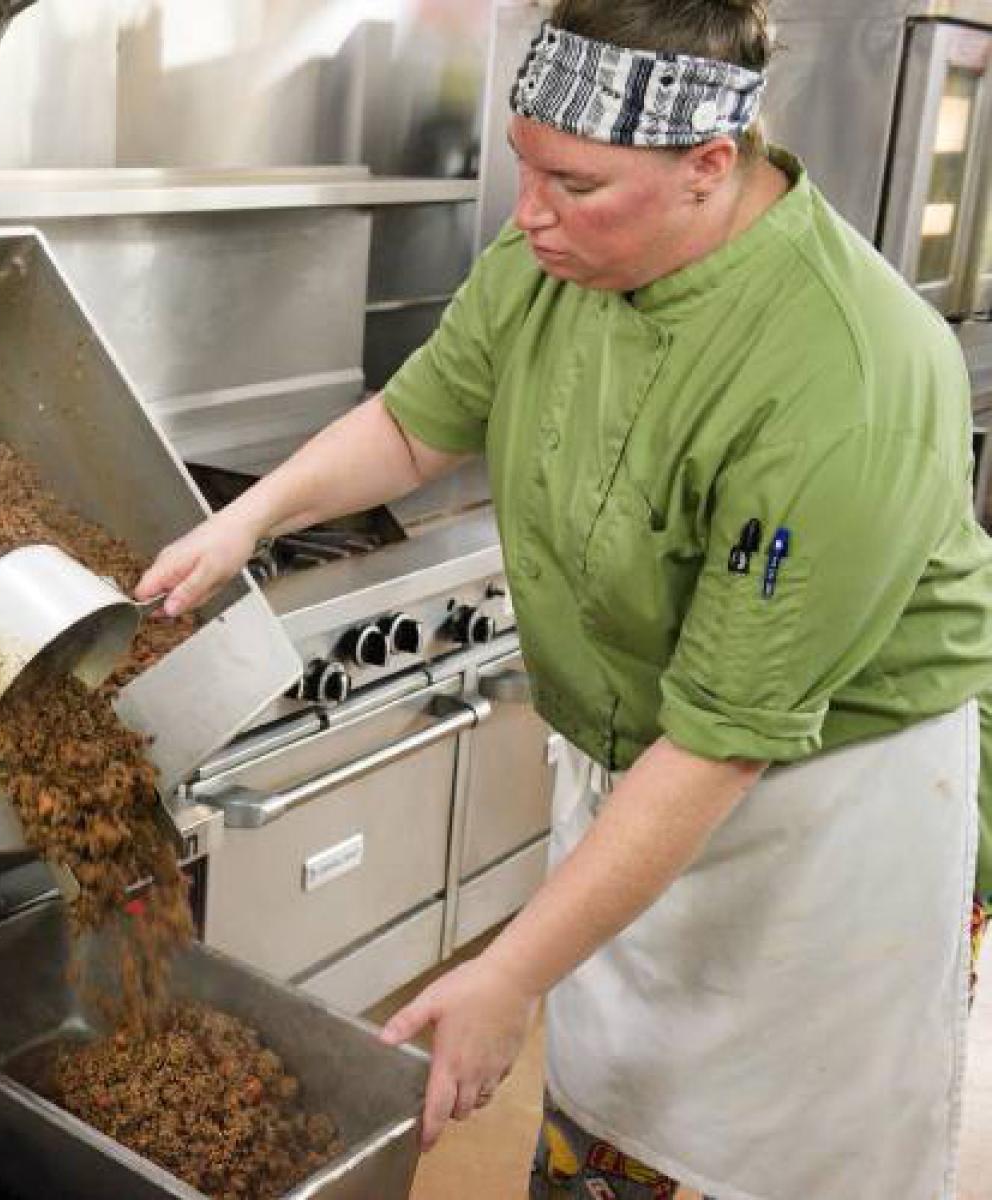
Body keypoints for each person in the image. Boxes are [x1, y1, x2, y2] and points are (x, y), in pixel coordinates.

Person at [137, 1, 992, 1195]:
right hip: (645, 775)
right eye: (522, 165)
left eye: (574, 183)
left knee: (781, 1157)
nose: (529, 210)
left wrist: (509, 972)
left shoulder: (847, 373)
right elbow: (413, 424)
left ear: (708, 166)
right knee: (609, 1116)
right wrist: (248, 519)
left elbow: (720, 745)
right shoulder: (554, 260)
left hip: (826, 812)